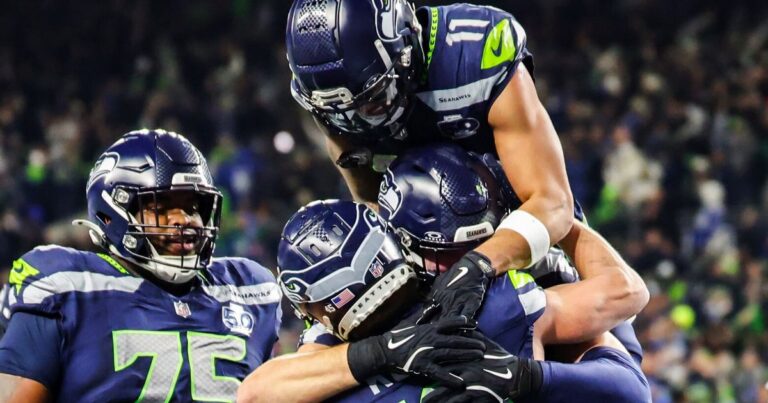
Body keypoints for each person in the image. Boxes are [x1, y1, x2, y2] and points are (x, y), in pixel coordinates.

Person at [286, 0, 576, 324]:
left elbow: (552, 203)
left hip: (517, 228)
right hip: (425, 260)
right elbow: (373, 208)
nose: (357, 124)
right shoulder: (338, 108)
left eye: (373, 101)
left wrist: (476, 266)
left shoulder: (475, 51)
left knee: (596, 335)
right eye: (339, 114)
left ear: (404, 47)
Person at [237, 193, 649, 402]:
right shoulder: (500, 302)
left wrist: (382, 351)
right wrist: (560, 217)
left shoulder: (318, 373)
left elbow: (254, 393)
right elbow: (629, 384)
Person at [0, 129, 282, 402]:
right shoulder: (68, 288)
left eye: (193, 207)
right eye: (160, 208)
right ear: (112, 213)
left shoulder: (249, 289)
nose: (183, 220)